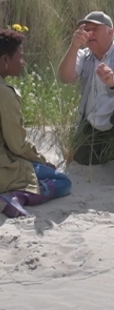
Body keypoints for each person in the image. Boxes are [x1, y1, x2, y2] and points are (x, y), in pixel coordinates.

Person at [57, 11, 114, 184]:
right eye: (86, 29)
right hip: (95, 121)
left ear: (111, 33)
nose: (90, 33)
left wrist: (113, 84)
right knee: (82, 157)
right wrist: (73, 46)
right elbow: (65, 77)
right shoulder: (83, 55)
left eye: (95, 29)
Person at [0, 29, 72, 218]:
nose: (23, 63)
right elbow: (18, 145)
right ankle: (17, 196)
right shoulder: (5, 94)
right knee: (63, 181)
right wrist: (44, 162)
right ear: (5, 60)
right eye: (20, 57)